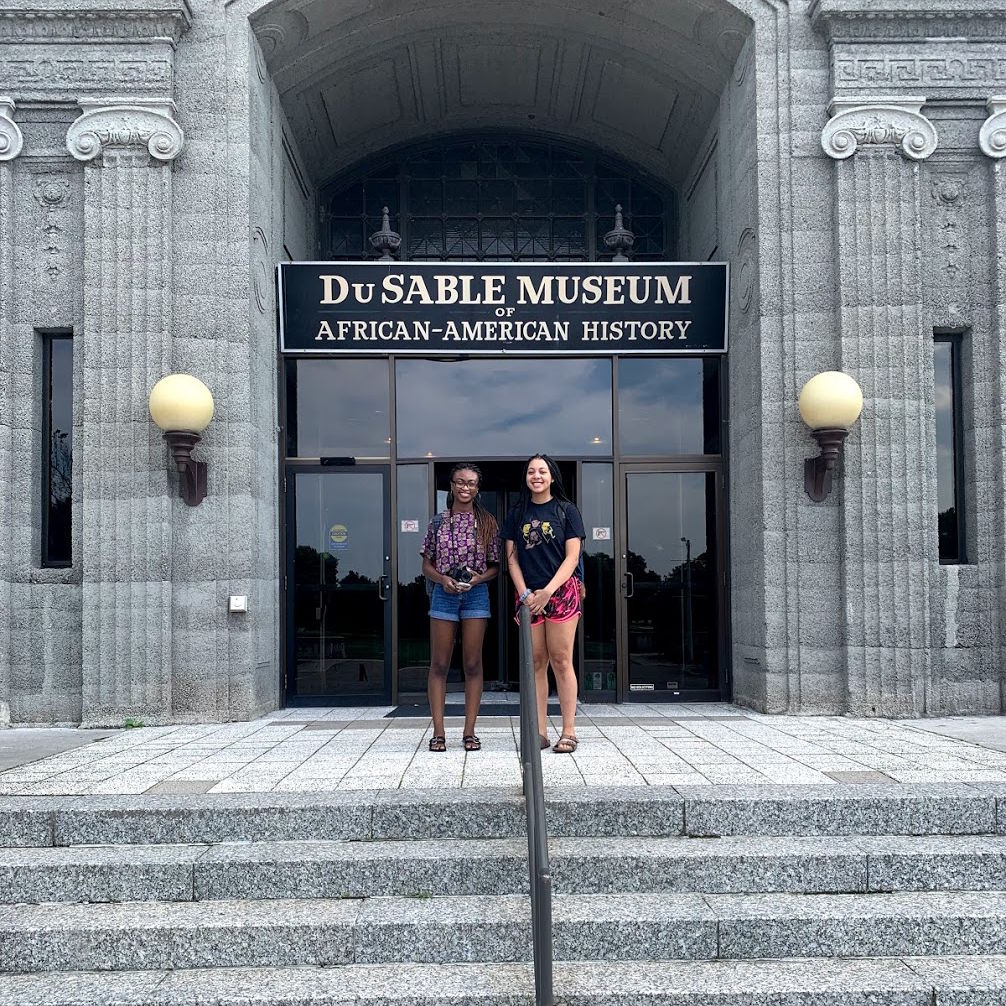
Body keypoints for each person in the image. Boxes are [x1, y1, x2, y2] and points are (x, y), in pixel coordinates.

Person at [502, 453, 585, 753]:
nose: (536, 476)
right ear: (526, 477)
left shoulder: (567, 510)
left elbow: (572, 557)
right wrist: (525, 594)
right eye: (531, 472)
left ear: (552, 476)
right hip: (528, 595)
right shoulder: (517, 513)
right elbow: (511, 560)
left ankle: (569, 731)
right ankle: (538, 731)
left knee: (561, 660)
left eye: (542, 471)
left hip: (561, 592)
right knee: (536, 663)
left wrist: (549, 590)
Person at [421, 463, 500, 752]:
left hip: (476, 595)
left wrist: (479, 578)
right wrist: (442, 578)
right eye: (460, 482)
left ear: (478, 488)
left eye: (471, 483)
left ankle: (469, 732)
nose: (465, 488)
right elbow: (426, 563)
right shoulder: (437, 522)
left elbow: (495, 567)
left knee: (472, 663)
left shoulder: (488, 522)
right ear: (451, 486)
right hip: (444, 595)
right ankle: (438, 732)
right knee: (439, 664)